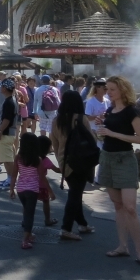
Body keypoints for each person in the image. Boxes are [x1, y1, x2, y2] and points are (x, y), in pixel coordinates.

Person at [96, 76, 140, 267]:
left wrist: (112, 133)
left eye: (112, 89)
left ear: (123, 90)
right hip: (107, 158)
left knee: (130, 208)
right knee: (118, 205)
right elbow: (107, 135)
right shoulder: (110, 110)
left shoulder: (132, 111)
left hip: (125, 160)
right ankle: (122, 246)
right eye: (107, 89)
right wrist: (102, 128)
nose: (108, 92)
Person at [51, 91, 98, 240]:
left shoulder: (56, 121)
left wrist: (60, 161)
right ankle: (66, 228)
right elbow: (92, 140)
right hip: (81, 160)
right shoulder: (81, 119)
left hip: (65, 161)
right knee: (75, 195)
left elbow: (55, 143)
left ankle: (83, 224)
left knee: (75, 193)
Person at [9, 132, 43, 250]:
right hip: (32, 189)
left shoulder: (18, 157)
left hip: (21, 189)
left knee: (26, 210)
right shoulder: (37, 159)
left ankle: (28, 232)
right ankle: (25, 239)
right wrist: (47, 190)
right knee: (30, 214)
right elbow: (41, 177)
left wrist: (11, 189)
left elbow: (13, 175)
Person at [0, 78, 19, 190]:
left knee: (7, 158)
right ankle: (10, 178)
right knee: (9, 157)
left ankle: (11, 179)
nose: (0, 88)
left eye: (1, 86)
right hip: (10, 132)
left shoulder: (9, 102)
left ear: (5, 88)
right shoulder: (12, 100)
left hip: (6, 133)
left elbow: (6, 119)